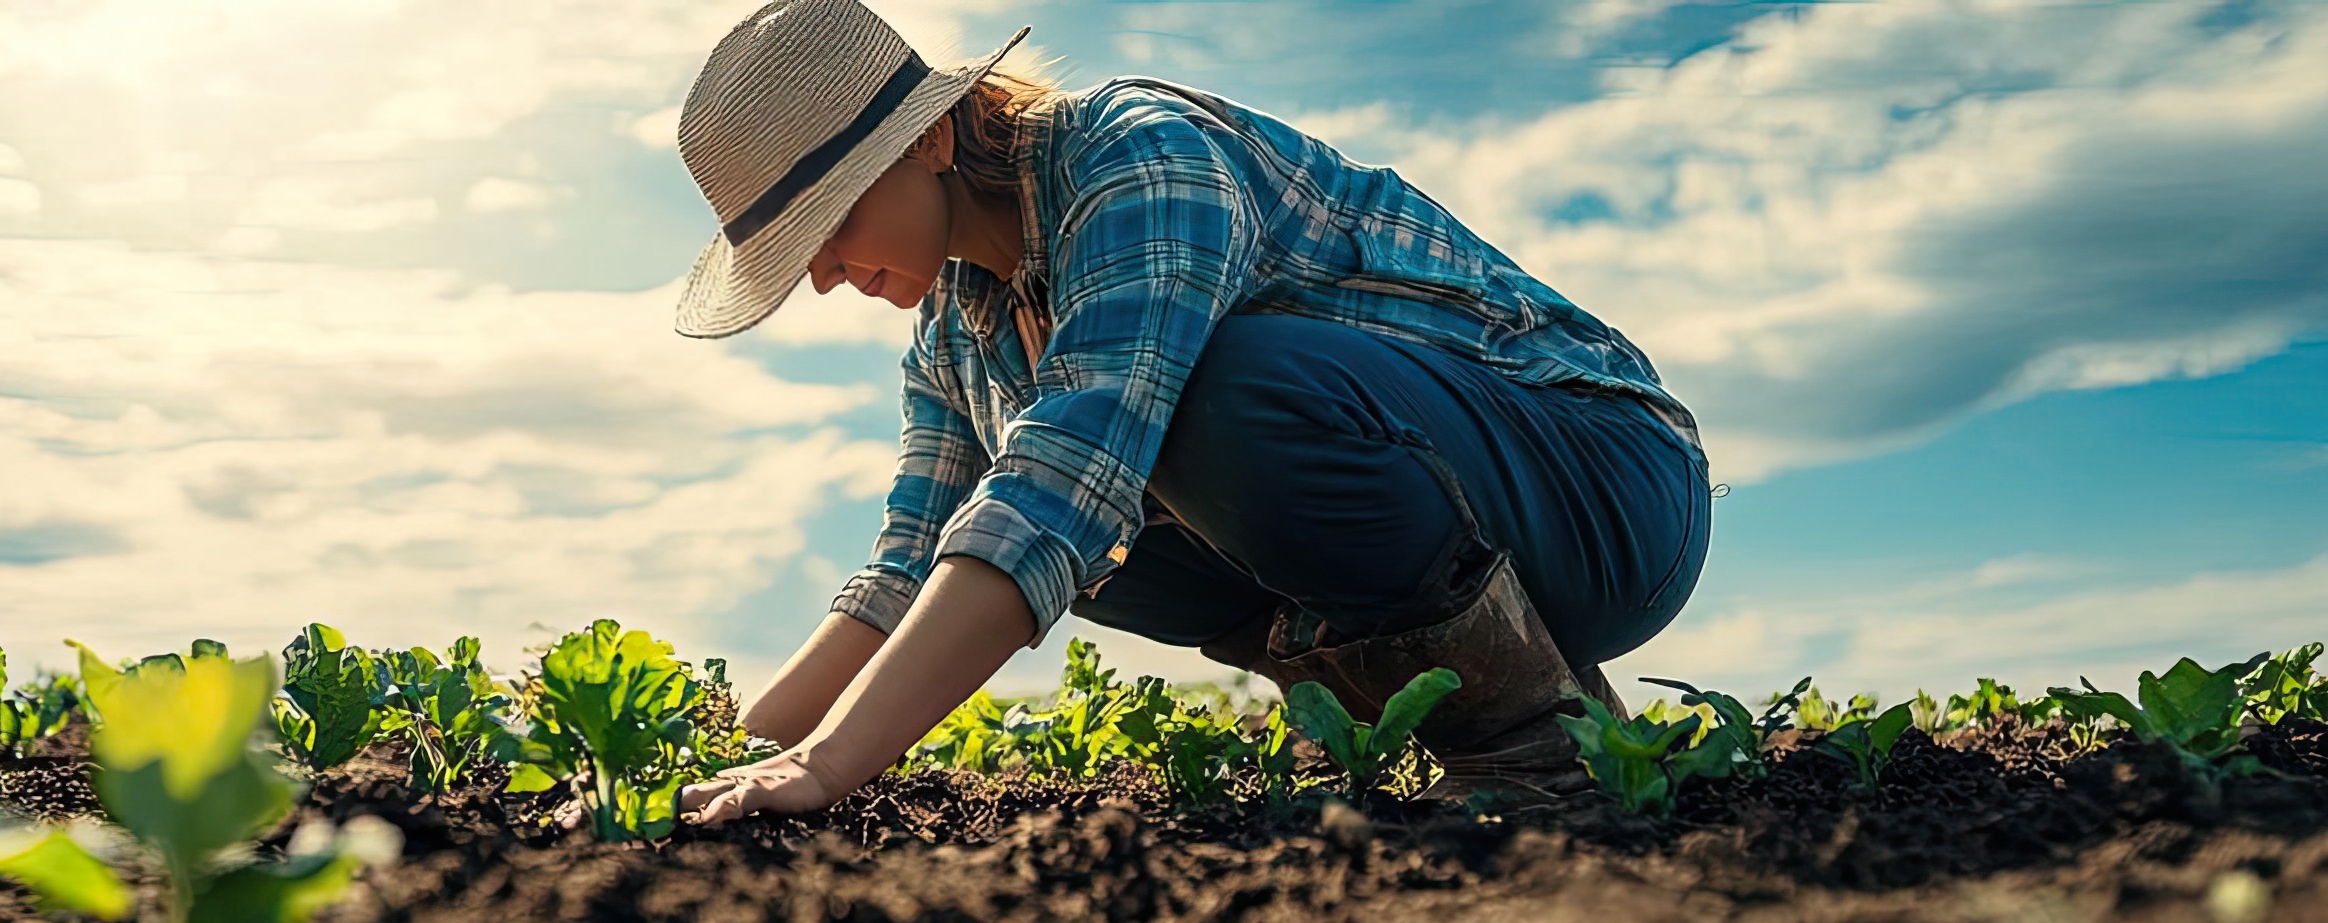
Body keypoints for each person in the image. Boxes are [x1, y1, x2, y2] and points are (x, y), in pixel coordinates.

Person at [663, 0, 1709, 824]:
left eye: (830, 218)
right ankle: (1543, 706)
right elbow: (907, 567)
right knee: (1090, 555)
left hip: (1610, 487)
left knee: (1204, 400)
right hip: (1490, 532)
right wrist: (735, 762)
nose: (824, 275)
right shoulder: (952, 334)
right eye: (793, 251)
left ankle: (1532, 758)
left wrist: (835, 764)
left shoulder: (1140, 161)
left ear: (931, 140)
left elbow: (1068, 471)